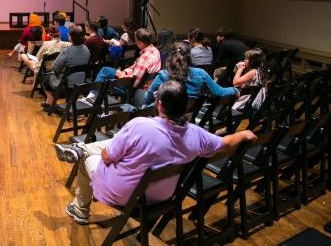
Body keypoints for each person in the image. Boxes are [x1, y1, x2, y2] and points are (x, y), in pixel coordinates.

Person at [54, 80, 257, 225]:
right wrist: (244, 133)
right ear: (185, 105)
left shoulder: (140, 125)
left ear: (159, 103)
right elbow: (224, 142)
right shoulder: (197, 134)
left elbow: (107, 157)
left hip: (125, 194)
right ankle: (80, 149)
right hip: (161, 195)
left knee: (90, 159)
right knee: (113, 146)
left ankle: (80, 208)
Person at [142, 41, 239, 107]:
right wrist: (234, 90)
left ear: (170, 56)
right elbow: (219, 92)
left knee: (137, 98)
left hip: (164, 121)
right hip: (188, 119)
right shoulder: (201, 73)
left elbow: (147, 100)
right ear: (189, 56)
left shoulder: (163, 75)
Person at [91, 28, 161, 92]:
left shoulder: (144, 58)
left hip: (130, 88)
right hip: (137, 81)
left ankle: (93, 96)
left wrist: (121, 76)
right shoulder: (155, 50)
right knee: (105, 70)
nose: (136, 43)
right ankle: (94, 94)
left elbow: (134, 83)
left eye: (136, 41)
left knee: (104, 74)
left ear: (141, 43)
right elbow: (136, 69)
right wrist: (125, 72)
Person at [41, 26, 90, 111]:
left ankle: (53, 105)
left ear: (70, 36)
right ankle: (48, 102)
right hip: (82, 80)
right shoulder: (86, 49)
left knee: (44, 79)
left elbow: (55, 67)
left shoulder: (67, 51)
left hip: (67, 82)